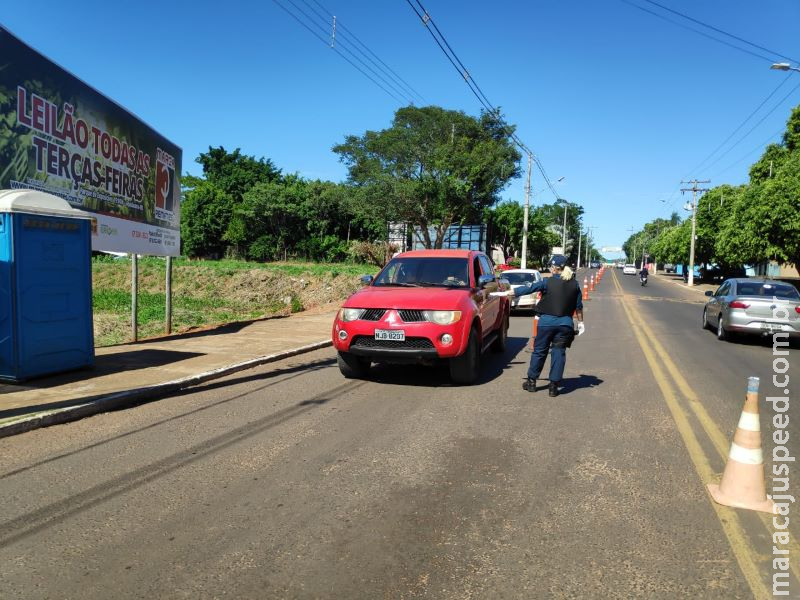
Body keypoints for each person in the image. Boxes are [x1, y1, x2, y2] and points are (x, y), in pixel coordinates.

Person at [502, 255, 584, 397]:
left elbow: (530, 288)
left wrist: (512, 292)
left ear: (554, 268)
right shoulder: (574, 284)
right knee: (559, 353)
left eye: (551, 266)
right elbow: (578, 307)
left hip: (546, 323)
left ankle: (532, 382)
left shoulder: (547, 282)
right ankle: (553, 387)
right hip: (565, 325)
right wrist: (581, 323)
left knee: (540, 351)